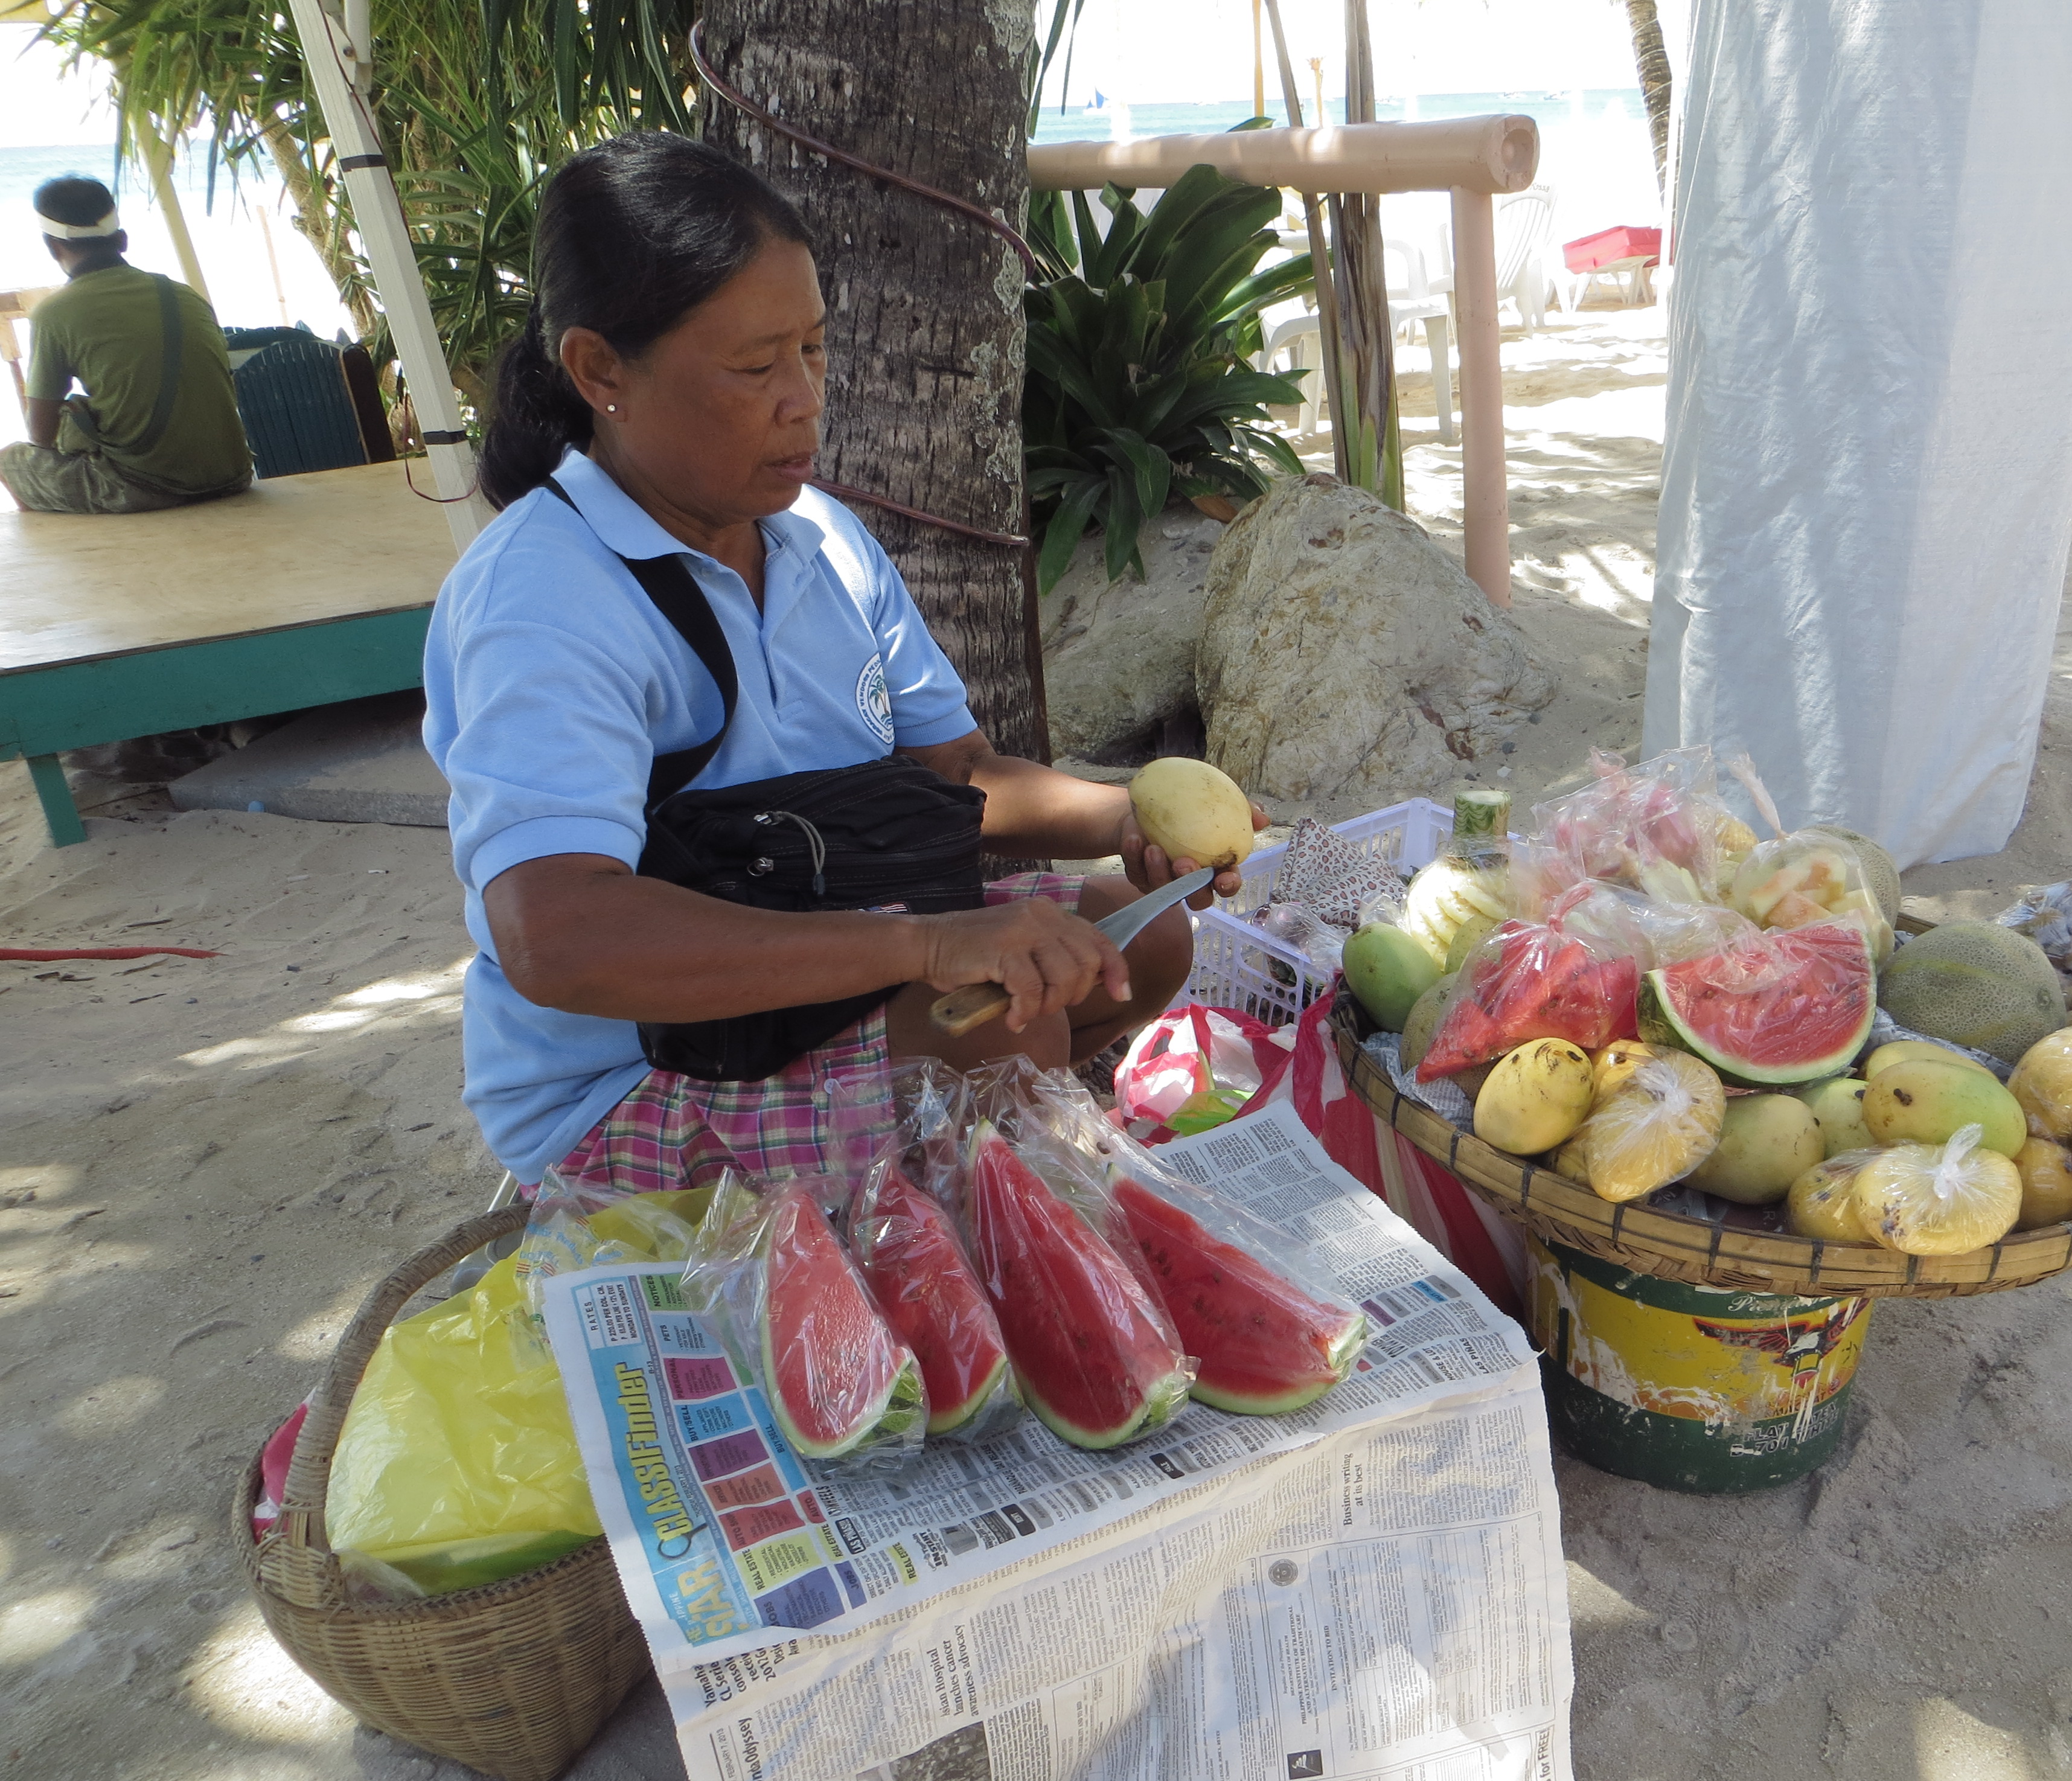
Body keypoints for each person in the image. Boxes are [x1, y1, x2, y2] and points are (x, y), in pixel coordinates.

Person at [425, 132, 1255, 1194]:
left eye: (814, 349)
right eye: (754, 366)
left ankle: (959, 1170)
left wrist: (1126, 820)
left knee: (1140, 942)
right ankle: (967, 1188)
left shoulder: (817, 535)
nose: (804, 397)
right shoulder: (542, 594)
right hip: (630, 1075)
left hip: (826, 952)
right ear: (601, 372)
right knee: (1001, 1035)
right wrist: (931, 947)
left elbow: (958, 772)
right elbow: (561, 935)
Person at [0, 175, 252, 515]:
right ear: (122, 239)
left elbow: (41, 436)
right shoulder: (184, 295)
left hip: (146, 487)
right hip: (234, 474)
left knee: (11, 462)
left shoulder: (55, 313)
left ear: (52, 247)